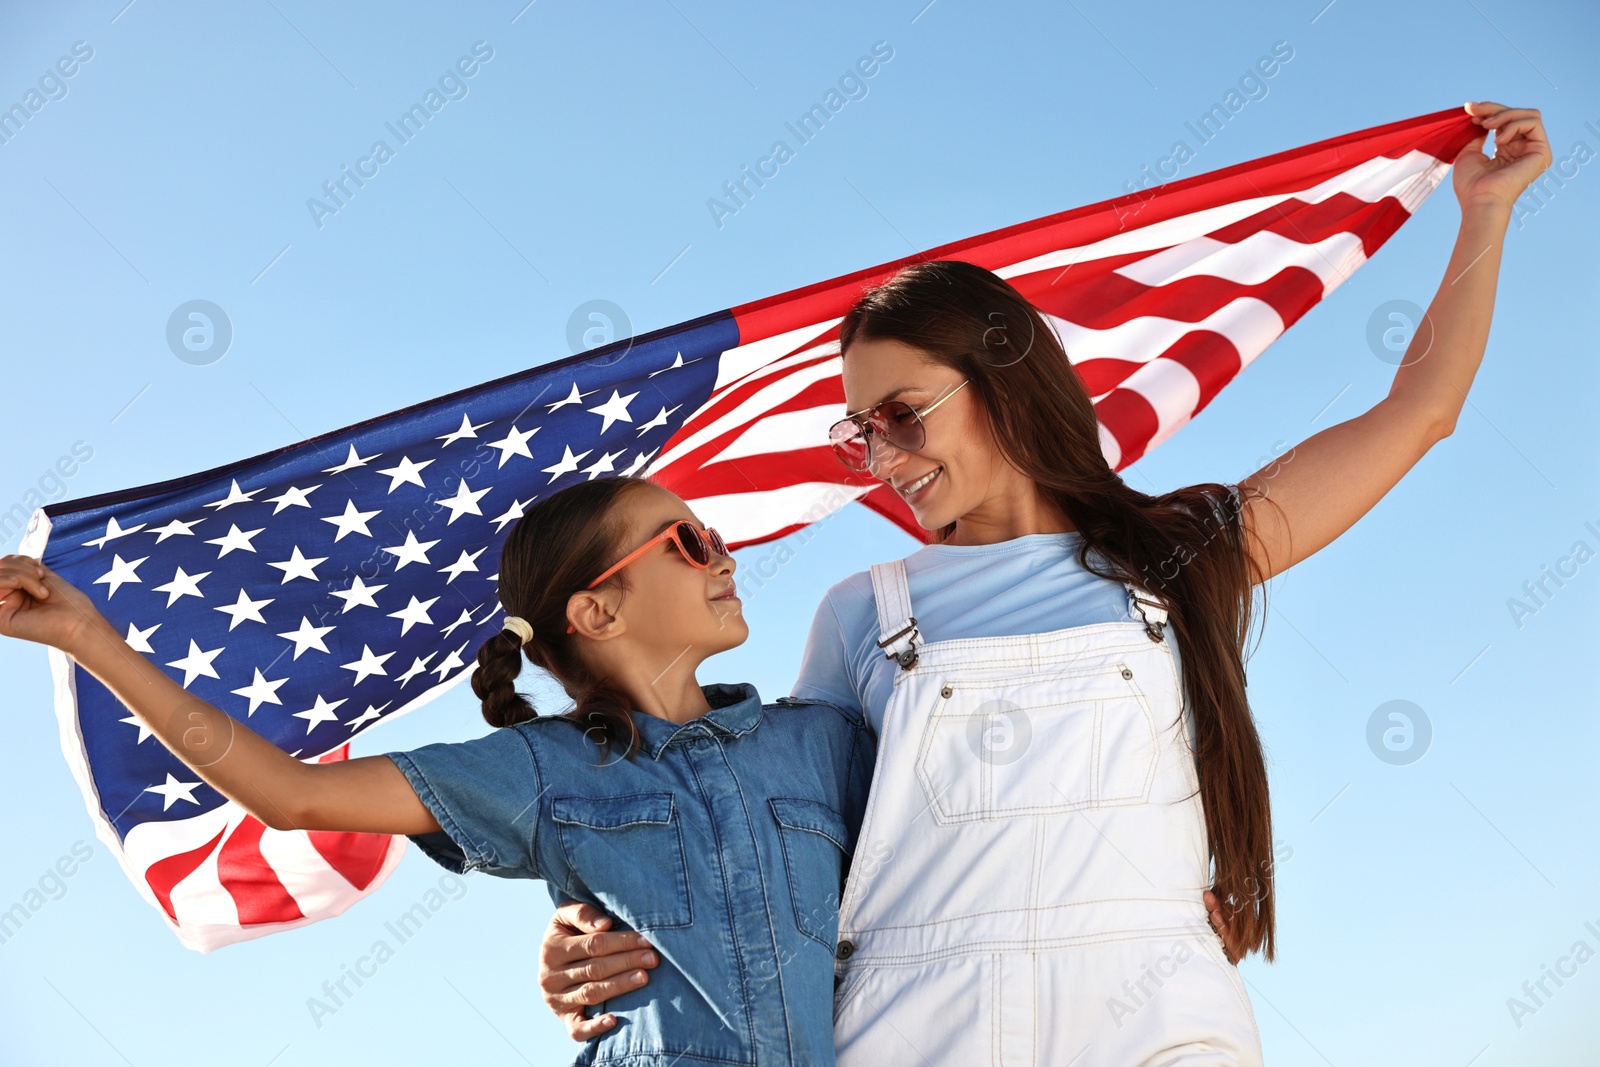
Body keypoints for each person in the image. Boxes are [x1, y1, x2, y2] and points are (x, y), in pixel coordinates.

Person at [536, 100, 1550, 1063]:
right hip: (911, 1016)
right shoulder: (863, 611)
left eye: (900, 413)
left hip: (1153, 1004)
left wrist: (1485, 211)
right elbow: (768, 831)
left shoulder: (1178, 555)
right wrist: (603, 917)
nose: (882, 456)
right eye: (859, 433)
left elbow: (1418, 410)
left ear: (1000, 378)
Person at [0, 475, 877, 1067]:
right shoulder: (542, 768)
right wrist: (90, 640)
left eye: (716, 537)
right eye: (687, 541)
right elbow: (292, 793)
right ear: (597, 610)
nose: (724, 556)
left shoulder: (825, 740)